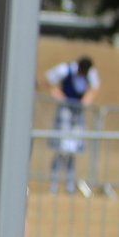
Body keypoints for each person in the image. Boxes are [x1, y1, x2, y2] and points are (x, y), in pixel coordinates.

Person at [43, 55, 99, 195]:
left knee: (73, 149)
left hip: (78, 112)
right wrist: (60, 97)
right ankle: (54, 184)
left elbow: (94, 88)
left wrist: (84, 102)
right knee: (62, 148)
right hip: (65, 111)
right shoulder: (65, 69)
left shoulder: (90, 73)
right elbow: (48, 80)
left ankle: (70, 185)